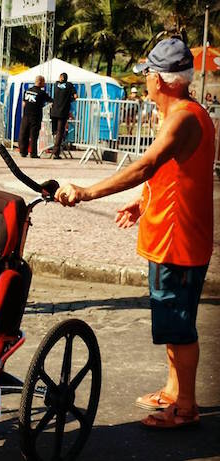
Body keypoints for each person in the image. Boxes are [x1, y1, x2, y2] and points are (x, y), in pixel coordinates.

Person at [54, 38, 214, 429]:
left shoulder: (182, 118)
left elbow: (145, 166)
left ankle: (186, 406)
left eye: (148, 75)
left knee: (178, 323)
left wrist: (87, 191)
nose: (145, 83)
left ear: (160, 79)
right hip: (171, 233)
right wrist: (142, 204)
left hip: (178, 239)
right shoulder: (184, 113)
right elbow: (169, 173)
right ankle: (175, 391)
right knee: (174, 322)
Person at [18, 75, 52, 158]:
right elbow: (50, 100)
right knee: (34, 135)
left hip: (26, 115)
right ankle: (33, 153)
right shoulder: (41, 93)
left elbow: (24, 103)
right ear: (41, 82)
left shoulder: (27, 91)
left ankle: (23, 151)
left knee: (24, 134)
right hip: (35, 116)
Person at [50, 72, 77, 159]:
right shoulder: (70, 85)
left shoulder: (56, 84)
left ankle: (53, 147)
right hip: (63, 112)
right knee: (60, 132)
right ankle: (56, 152)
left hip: (54, 112)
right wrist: (70, 100)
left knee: (54, 131)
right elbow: (76, 96)